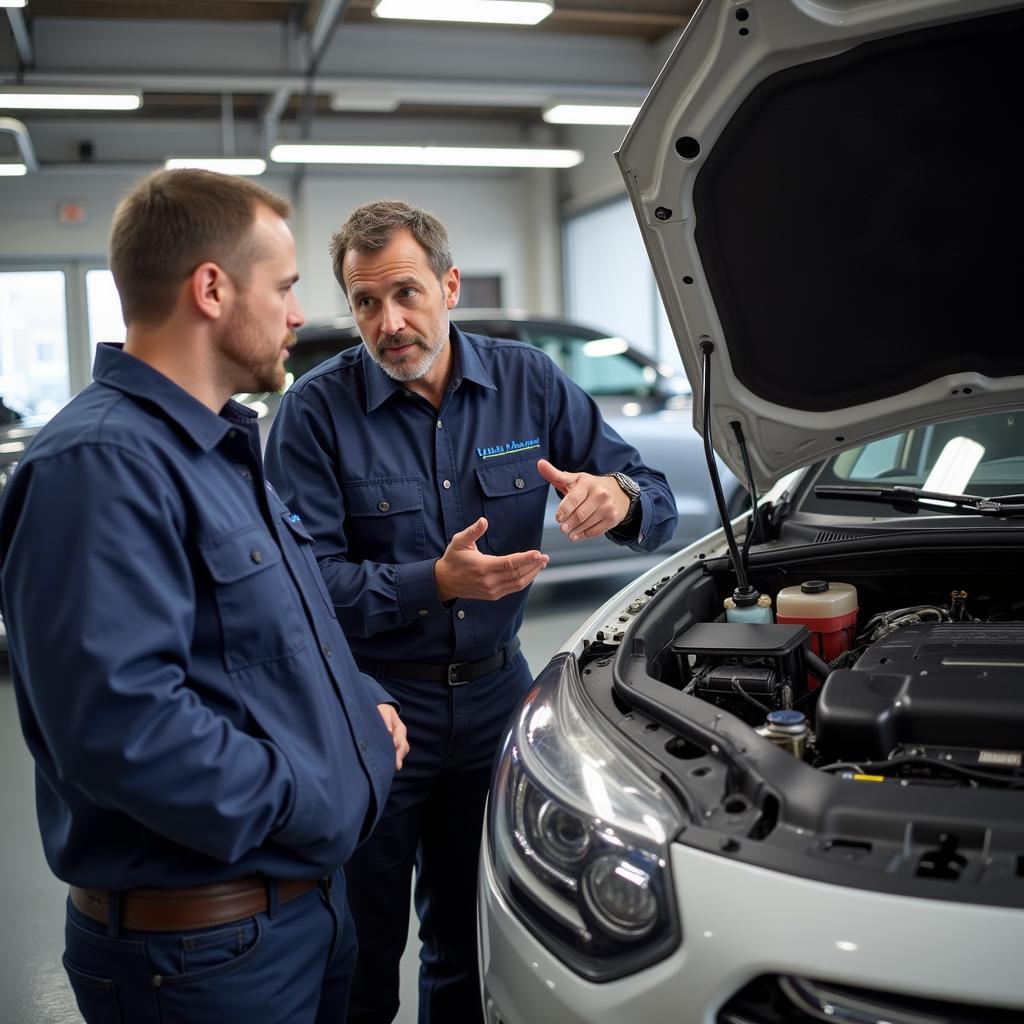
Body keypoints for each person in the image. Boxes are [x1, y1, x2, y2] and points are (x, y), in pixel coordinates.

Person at [0, 170, 409, 1024]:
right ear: (213, 289)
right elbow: (122, 728)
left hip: (299, 919)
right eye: (287, 287)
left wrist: (358, 708)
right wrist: (317, 790)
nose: (301, 314)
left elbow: (266, 639)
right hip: (203, 959)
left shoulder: (218, 447)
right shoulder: (98, 466)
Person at [263, 199, 678, 1024]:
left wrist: (615, 494)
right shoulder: (314, 414)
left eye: (408, 293)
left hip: (496, 703)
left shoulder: (529, 384)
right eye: (366, 302)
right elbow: (297, 594)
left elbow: (655, 501)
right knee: (359, 948)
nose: (390, 323)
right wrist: (434, 583)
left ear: (449, 286)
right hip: (369, 712)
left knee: (469, 936)